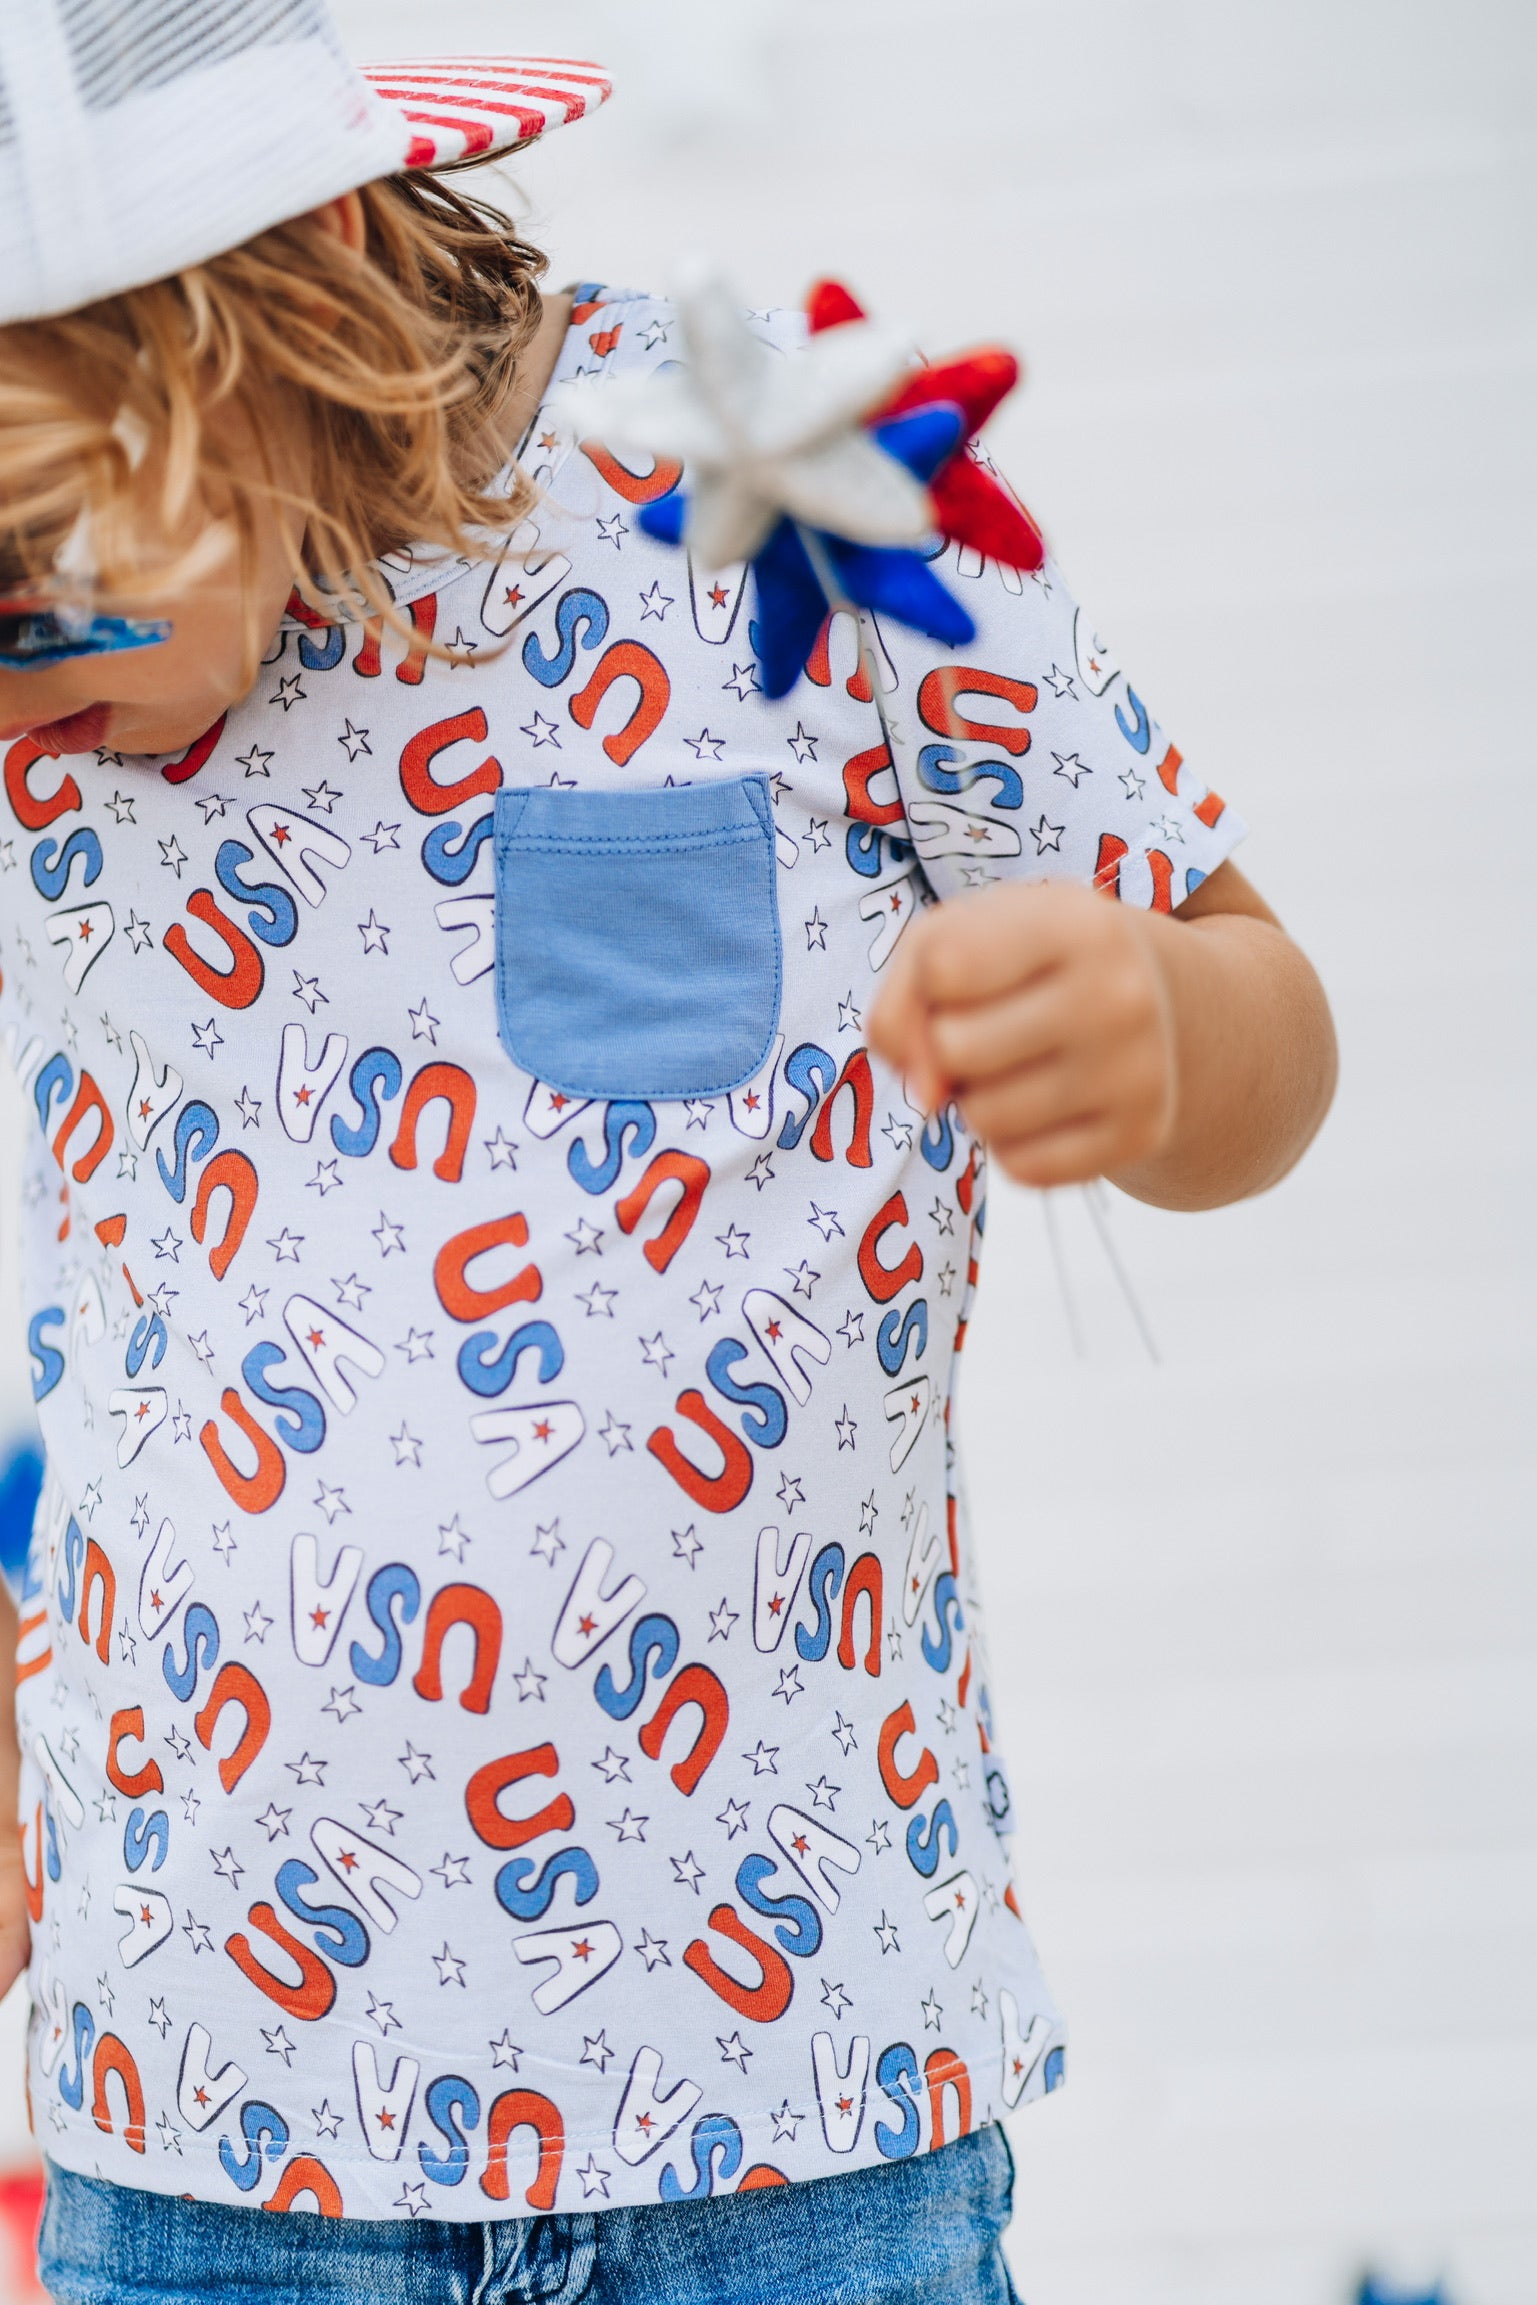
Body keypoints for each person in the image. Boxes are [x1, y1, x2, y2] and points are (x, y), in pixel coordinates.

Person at [0, 4, 1337, 2300]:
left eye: (32, 568)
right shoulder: (56, 742)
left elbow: (1264, 1016)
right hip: (210, 2119)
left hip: (793, 2110)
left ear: (301, 280)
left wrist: (1157, 1021)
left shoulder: (763, 491)